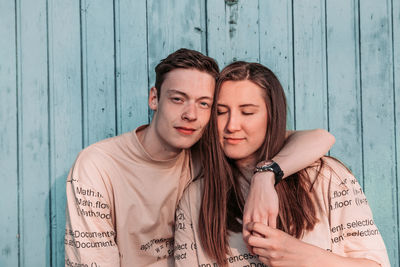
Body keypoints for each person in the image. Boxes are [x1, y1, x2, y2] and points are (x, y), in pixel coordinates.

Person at [64, 49, 334, 267]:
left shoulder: (213, 152)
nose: (191, 115)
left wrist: (266, 175)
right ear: (154, 98)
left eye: (204, 103)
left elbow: (320, 138)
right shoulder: (98, 165)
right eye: (178, 99)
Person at [174, 61, 390, 267]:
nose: (232, 125)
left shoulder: (326, 176)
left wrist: (304, 256)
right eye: (221, 112)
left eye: (247, 112)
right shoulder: (195, 198)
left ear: (272, 117)